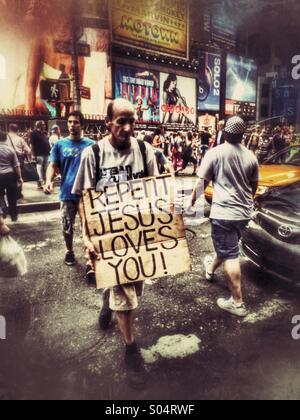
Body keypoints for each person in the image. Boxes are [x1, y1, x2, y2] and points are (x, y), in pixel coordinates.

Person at [72, 98, 159, 388]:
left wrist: (161, 227)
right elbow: (84, 199)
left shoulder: (145, 150)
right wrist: (87, 236)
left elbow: (154, 191)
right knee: (126, 298)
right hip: (107, 236)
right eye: (121, 121)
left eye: (132, 121)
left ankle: (107, 301)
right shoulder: (92, 154)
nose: (127, 127)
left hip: (137, 236)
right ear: (107, 121)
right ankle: (131, 350)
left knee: (136, 287)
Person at [190, 116, 259, 317]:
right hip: (243, 213)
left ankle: (237, 303)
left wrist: (191, 202)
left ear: (225, 133)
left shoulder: (215, 153)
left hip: (224, 213)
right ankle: (210, 271)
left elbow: (202, 183)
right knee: (228, 246)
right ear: (242, 135)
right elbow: (253, 187)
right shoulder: (250, 156)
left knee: (230, 254)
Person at [44, 111, 95, 271]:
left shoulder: (92, 145)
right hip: (67, 193)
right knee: (67, 226)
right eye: (70, 122)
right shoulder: (60, 145)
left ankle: (90, 260)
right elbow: (52, 165)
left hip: (88, 194)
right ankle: (70, 251)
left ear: (82, 124)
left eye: (76, 122)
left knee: (89, 227)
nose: (72, 125)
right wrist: (48, 181)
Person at [0, 130, 23, 222]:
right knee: (12, 196)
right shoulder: (10, 150)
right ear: (5, 139)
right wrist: (20, 178)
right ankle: (14, 215)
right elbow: (16, 166)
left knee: (0, 195)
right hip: (10, 175)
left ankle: (2, 207)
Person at [30, 120, 50, 189]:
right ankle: (40, 183)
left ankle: (44, 182)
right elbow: (31, 145)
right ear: (39, 125)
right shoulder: (33, 133)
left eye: (44, 125)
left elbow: (47, 142)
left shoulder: (44, 133)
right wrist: (32, 154)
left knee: (46, 168)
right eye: (43, 124)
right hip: (39, 154)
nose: (45, 126)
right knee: (39, 168)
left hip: (47, 153)